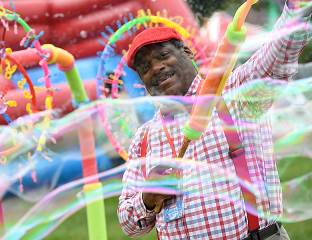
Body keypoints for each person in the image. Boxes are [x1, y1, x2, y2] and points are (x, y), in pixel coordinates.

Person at [118, 1, 312, 240]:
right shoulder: (144, 138)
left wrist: (295, 10)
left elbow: (276, 56)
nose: (156, 67)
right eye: (145, 67)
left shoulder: (233, 94)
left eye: (163, 55)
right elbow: (128, 224)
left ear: (187, 52)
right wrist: (147, 198)